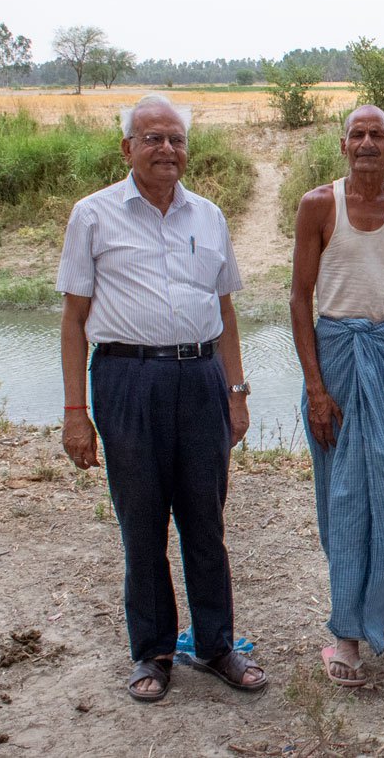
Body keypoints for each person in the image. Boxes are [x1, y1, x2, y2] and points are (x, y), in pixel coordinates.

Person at [57, 93, 266, 703]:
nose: (166, 149)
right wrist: (77, 413)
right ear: (128, 148)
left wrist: (236, 391)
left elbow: (224, 310)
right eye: (152, 139)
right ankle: (151, 650)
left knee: (205, 520)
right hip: (127, 382)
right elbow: (73, 321)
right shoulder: (93, 216)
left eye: (175, 139)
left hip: (201, 378)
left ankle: (216, 645)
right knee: (142, 524)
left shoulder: (209, 216)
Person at [290, 104, 384, 688]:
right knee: (344, 497)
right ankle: (346, 635)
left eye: (378, 134)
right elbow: (300, 299)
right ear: (343, 144)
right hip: (338, 361)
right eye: (358, 134)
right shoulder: (318, 205)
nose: (368, 143)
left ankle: (381, 619)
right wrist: (316, 389)